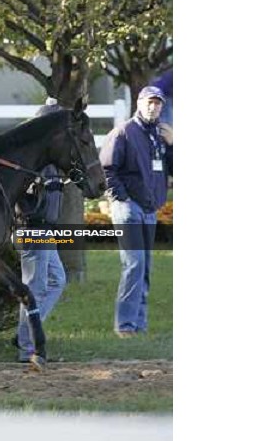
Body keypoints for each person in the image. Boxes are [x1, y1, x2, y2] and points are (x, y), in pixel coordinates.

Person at [99, 86, 173, 337]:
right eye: (149, 102)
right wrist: (123, 199)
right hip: (129, 209)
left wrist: (173, 144)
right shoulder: (123, 132)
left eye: (158, 103)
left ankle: (139, 325)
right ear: (139, 103)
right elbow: (107, 170)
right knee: (134, 264)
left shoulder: (160, 135)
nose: (154, 107)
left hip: (150, 209)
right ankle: (125, 325)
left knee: (145, 267)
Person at [14, 98, 67, 362]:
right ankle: (26, 348)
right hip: (34, 229)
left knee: (57, 281)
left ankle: (26, 333)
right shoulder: (31, 158)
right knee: (34, 287)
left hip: (49, 229)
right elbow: (19, 197)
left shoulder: (54, 157)